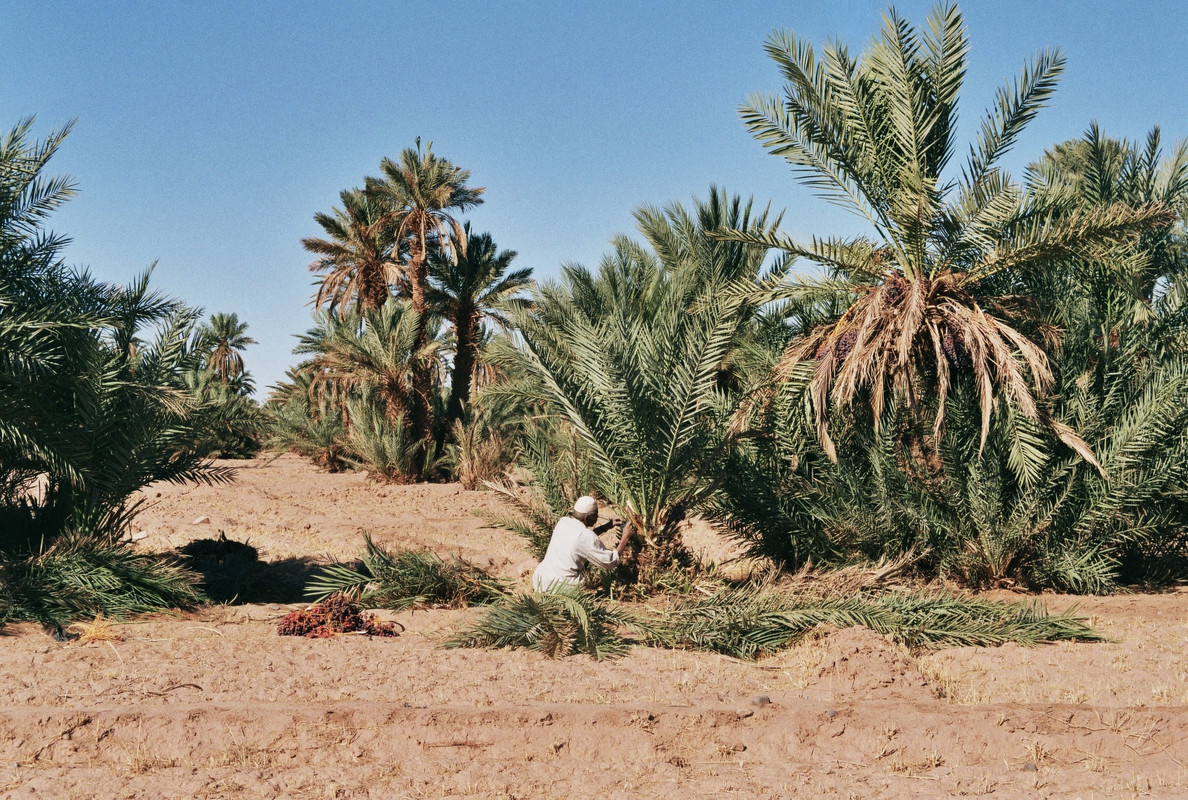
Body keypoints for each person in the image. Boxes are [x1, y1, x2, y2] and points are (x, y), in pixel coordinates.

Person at [532, 495, 635, 592]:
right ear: (586, 518)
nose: (598, 516)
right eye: (595, 515)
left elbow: (579, 541)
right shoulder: (586, 536)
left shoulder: (563, 522)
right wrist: (625, 538)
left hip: (540, 580)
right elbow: (610, 562)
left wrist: (606, 527)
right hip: (561, 587)